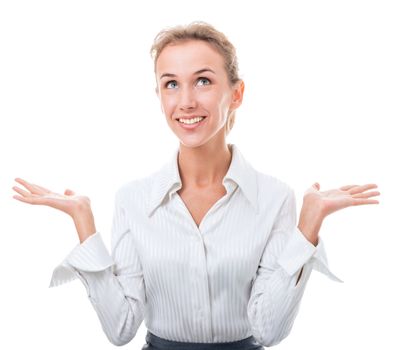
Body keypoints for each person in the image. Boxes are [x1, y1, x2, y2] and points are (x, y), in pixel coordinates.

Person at [12, 21, 380, 350]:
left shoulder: (274, 197)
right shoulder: (133, 200)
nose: (186, 101)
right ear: (159, 96)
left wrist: (308, 228)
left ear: (236, 94)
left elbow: (269, 331)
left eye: (203, 80)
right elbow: (121, 329)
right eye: (171, 84)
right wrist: (84, 225)